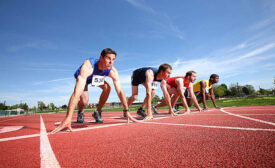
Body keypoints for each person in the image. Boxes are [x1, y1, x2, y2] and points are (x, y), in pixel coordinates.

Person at [50, 48, 137, 134]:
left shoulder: (112, 71)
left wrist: (127, 111)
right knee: (84, 102)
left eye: (113, 59)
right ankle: (80, 112)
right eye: (108, 58)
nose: (111, 62)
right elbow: (76, 92)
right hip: (84, 77)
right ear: (101, 58)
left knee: (107, 88)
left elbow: (120, 91)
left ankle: (97, 112)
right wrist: (68, 117)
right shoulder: (88, 66)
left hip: (95, 78)